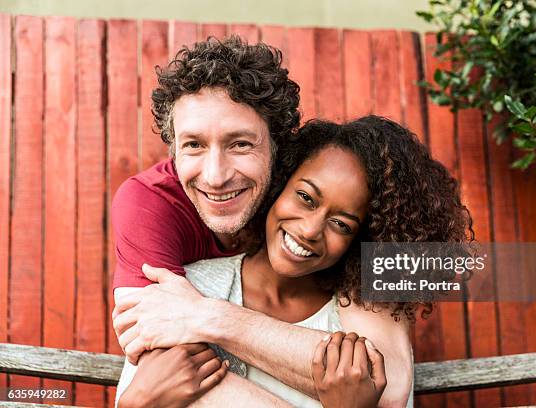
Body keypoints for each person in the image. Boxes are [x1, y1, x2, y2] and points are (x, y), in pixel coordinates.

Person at [111, 36, 412, 406]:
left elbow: (389, 387)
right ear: (173, 151)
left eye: (240, 144)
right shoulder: (151, 205)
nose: (216, 176)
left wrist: (211, 317)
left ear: (279, 152)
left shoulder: (353, 251)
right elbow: (160, 362)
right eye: (193, 144)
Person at [114, 116, 474, 407]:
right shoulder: (191, 289)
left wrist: (209, 318)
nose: (310, 229)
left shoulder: (359, 328)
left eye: (341, 224)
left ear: (363, 238)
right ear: (278, 183)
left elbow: (392, 392)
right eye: (305, 197)